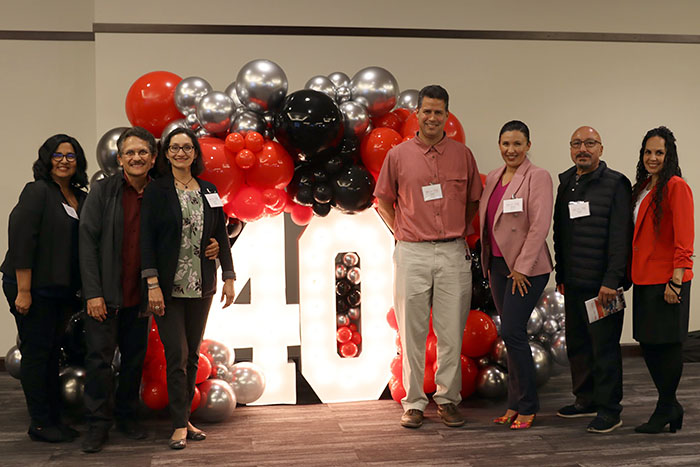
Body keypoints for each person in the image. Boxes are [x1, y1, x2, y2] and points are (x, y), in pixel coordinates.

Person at [79, 126, 221, 453]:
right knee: (99, 360)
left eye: (143, 152)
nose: (136, 157)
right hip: (107, 292)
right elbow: (86, 244)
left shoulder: (162, 191)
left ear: (153, 157)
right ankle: (97, 426)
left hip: (144, 296)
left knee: (133, 360)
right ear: (119, 159)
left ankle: (127, 419)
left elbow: (186, 231)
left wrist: (212, 245)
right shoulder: (103, 191)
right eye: (129, 152)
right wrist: (93, 293)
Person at [374, 85, 482, 428]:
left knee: (451, 332)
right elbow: (384, 201)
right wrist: (401, 233)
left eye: (439, 112)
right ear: (417, 114)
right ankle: (415, 403)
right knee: (412, 332)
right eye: (427, 111)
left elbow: (473, 201)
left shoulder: (462, 155)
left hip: (453, 252)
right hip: (412, 253)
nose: (433, 117)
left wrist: (458, 229)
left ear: (447, 116)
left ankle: (448, 400)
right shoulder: (398, 155)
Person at [141, 127, 235, 449]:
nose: (181, 153)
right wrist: (151, 282)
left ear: (195, 153)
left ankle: (186, 419)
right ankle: (179, 425)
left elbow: (220, 236)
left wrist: (229, 275)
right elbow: (147, 240)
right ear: (166, 155)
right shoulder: (157, 191)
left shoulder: (209, 189)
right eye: (174, 148)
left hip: (202, 285)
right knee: (177, 354)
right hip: (167, 288)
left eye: (187, 148)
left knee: (192, 355)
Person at [1, 134, 88, 442]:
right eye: (57, 155)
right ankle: (39, 423)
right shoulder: (38, 191)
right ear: (46, 159)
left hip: (59, 289)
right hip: (30, 287)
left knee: (52, 354)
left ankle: (53, 419)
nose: (64, 160)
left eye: (71, 155)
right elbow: (22, 238)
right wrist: (24, 290)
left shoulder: (79, 196)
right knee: (37, 355)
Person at [553, 126, 632, 433]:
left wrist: (612, 280)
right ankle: (586, 400)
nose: (582, 148)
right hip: (573, 283)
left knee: (605, 349)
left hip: (604, 288)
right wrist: (561, 273)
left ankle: (611, 409)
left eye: (589, 143)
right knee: (579, 345)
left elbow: (620, 237)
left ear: (601, 148)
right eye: (576, 143)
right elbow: (560, 232)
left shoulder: (616, 184)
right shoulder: (566, 183)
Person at [479, 120, 553, 430]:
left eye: (518, 144)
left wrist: (521, 268)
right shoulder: (495, 176)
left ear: (528, 146)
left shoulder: (538, 177)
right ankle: (513, 404)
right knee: (510, 336)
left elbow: (539, 226)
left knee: (513, 331)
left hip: (526, 269)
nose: (511, 150)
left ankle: (527, 406)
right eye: (506, 144)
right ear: (499, 145)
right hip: (497, 265)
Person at [629, 126, 693, 434]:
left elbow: (685, 238)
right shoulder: (642, 187)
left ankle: (667, 405)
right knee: (648, 343)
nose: (653, 157)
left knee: (666, 345)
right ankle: (670, 405)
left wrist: (676, 281)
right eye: (648, 152)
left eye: (659, 152)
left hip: (668, 280)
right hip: (643, 277)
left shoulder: (676, 186)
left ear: (669, 156)